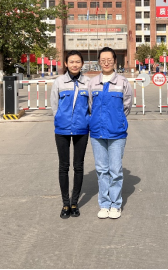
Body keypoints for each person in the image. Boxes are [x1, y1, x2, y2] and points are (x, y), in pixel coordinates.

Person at [88, 47, 133, 219]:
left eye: (109, 59)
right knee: (101, 169)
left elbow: (127, 105)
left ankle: (115, 204)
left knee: (115, 170)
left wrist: (117, 119)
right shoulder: (93, 83)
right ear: (99, 61)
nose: (106, 62)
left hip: (117, 132)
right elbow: (90, 105)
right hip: (97, 132)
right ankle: (104, 204)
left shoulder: (122, 82)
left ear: (115, 61)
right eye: (103, 60)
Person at [50, 51, 90, 219]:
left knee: (78, 166)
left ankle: (74, 203)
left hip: (82, 129)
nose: (74, 64)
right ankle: (65, 203)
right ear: (66, 64)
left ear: (82, 64)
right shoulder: (59, 82)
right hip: (62, 129)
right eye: (71, 62)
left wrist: (87, 121)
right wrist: (60, 119)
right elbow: (54, 105)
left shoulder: (87, 82)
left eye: (77, 62)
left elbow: (91, 105)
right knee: (64, 166)